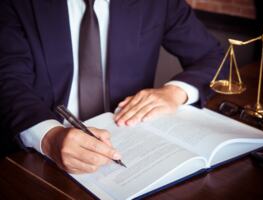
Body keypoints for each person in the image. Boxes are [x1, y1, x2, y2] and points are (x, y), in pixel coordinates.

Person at [0, 0, 224, 173]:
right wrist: (49, 138)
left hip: (131, 146)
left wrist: (175, 92)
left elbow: (214, 56)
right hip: (36, 157)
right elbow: (9, 79)